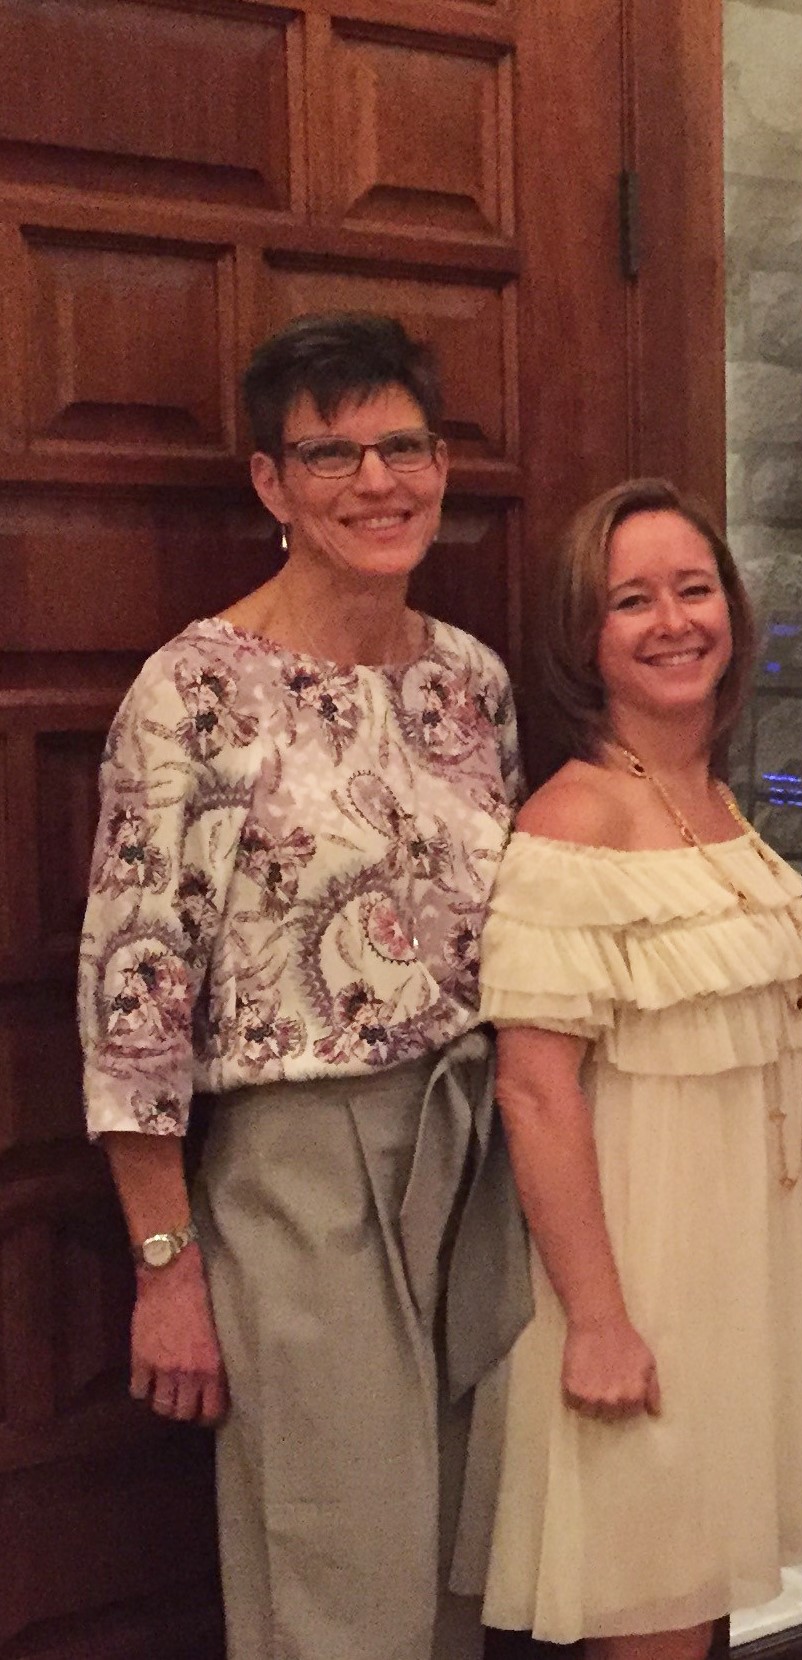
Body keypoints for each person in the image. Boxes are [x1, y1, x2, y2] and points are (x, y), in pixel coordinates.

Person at [77, 312, 531, 1660]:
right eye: (334, 456)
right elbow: (132, 992)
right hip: (303, 1174)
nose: (380, 482)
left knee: (469, 1562)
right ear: (271, 484)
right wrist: (167, 1262)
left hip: (476, 1150)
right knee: (342, 1574)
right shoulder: (196, 693)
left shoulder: (472, 683)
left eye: (406, 446)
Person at [465, 479, 802, 1657]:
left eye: (693, 589)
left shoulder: (714, 805)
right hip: (638, 1297)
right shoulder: (572, 822)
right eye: (630, 600)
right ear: (584, 639)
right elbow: (533, 1090)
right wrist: (598, 1320)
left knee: (702, 1614)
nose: (672, 620)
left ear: (734, 611)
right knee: (654, 1623)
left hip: (736, 1292)